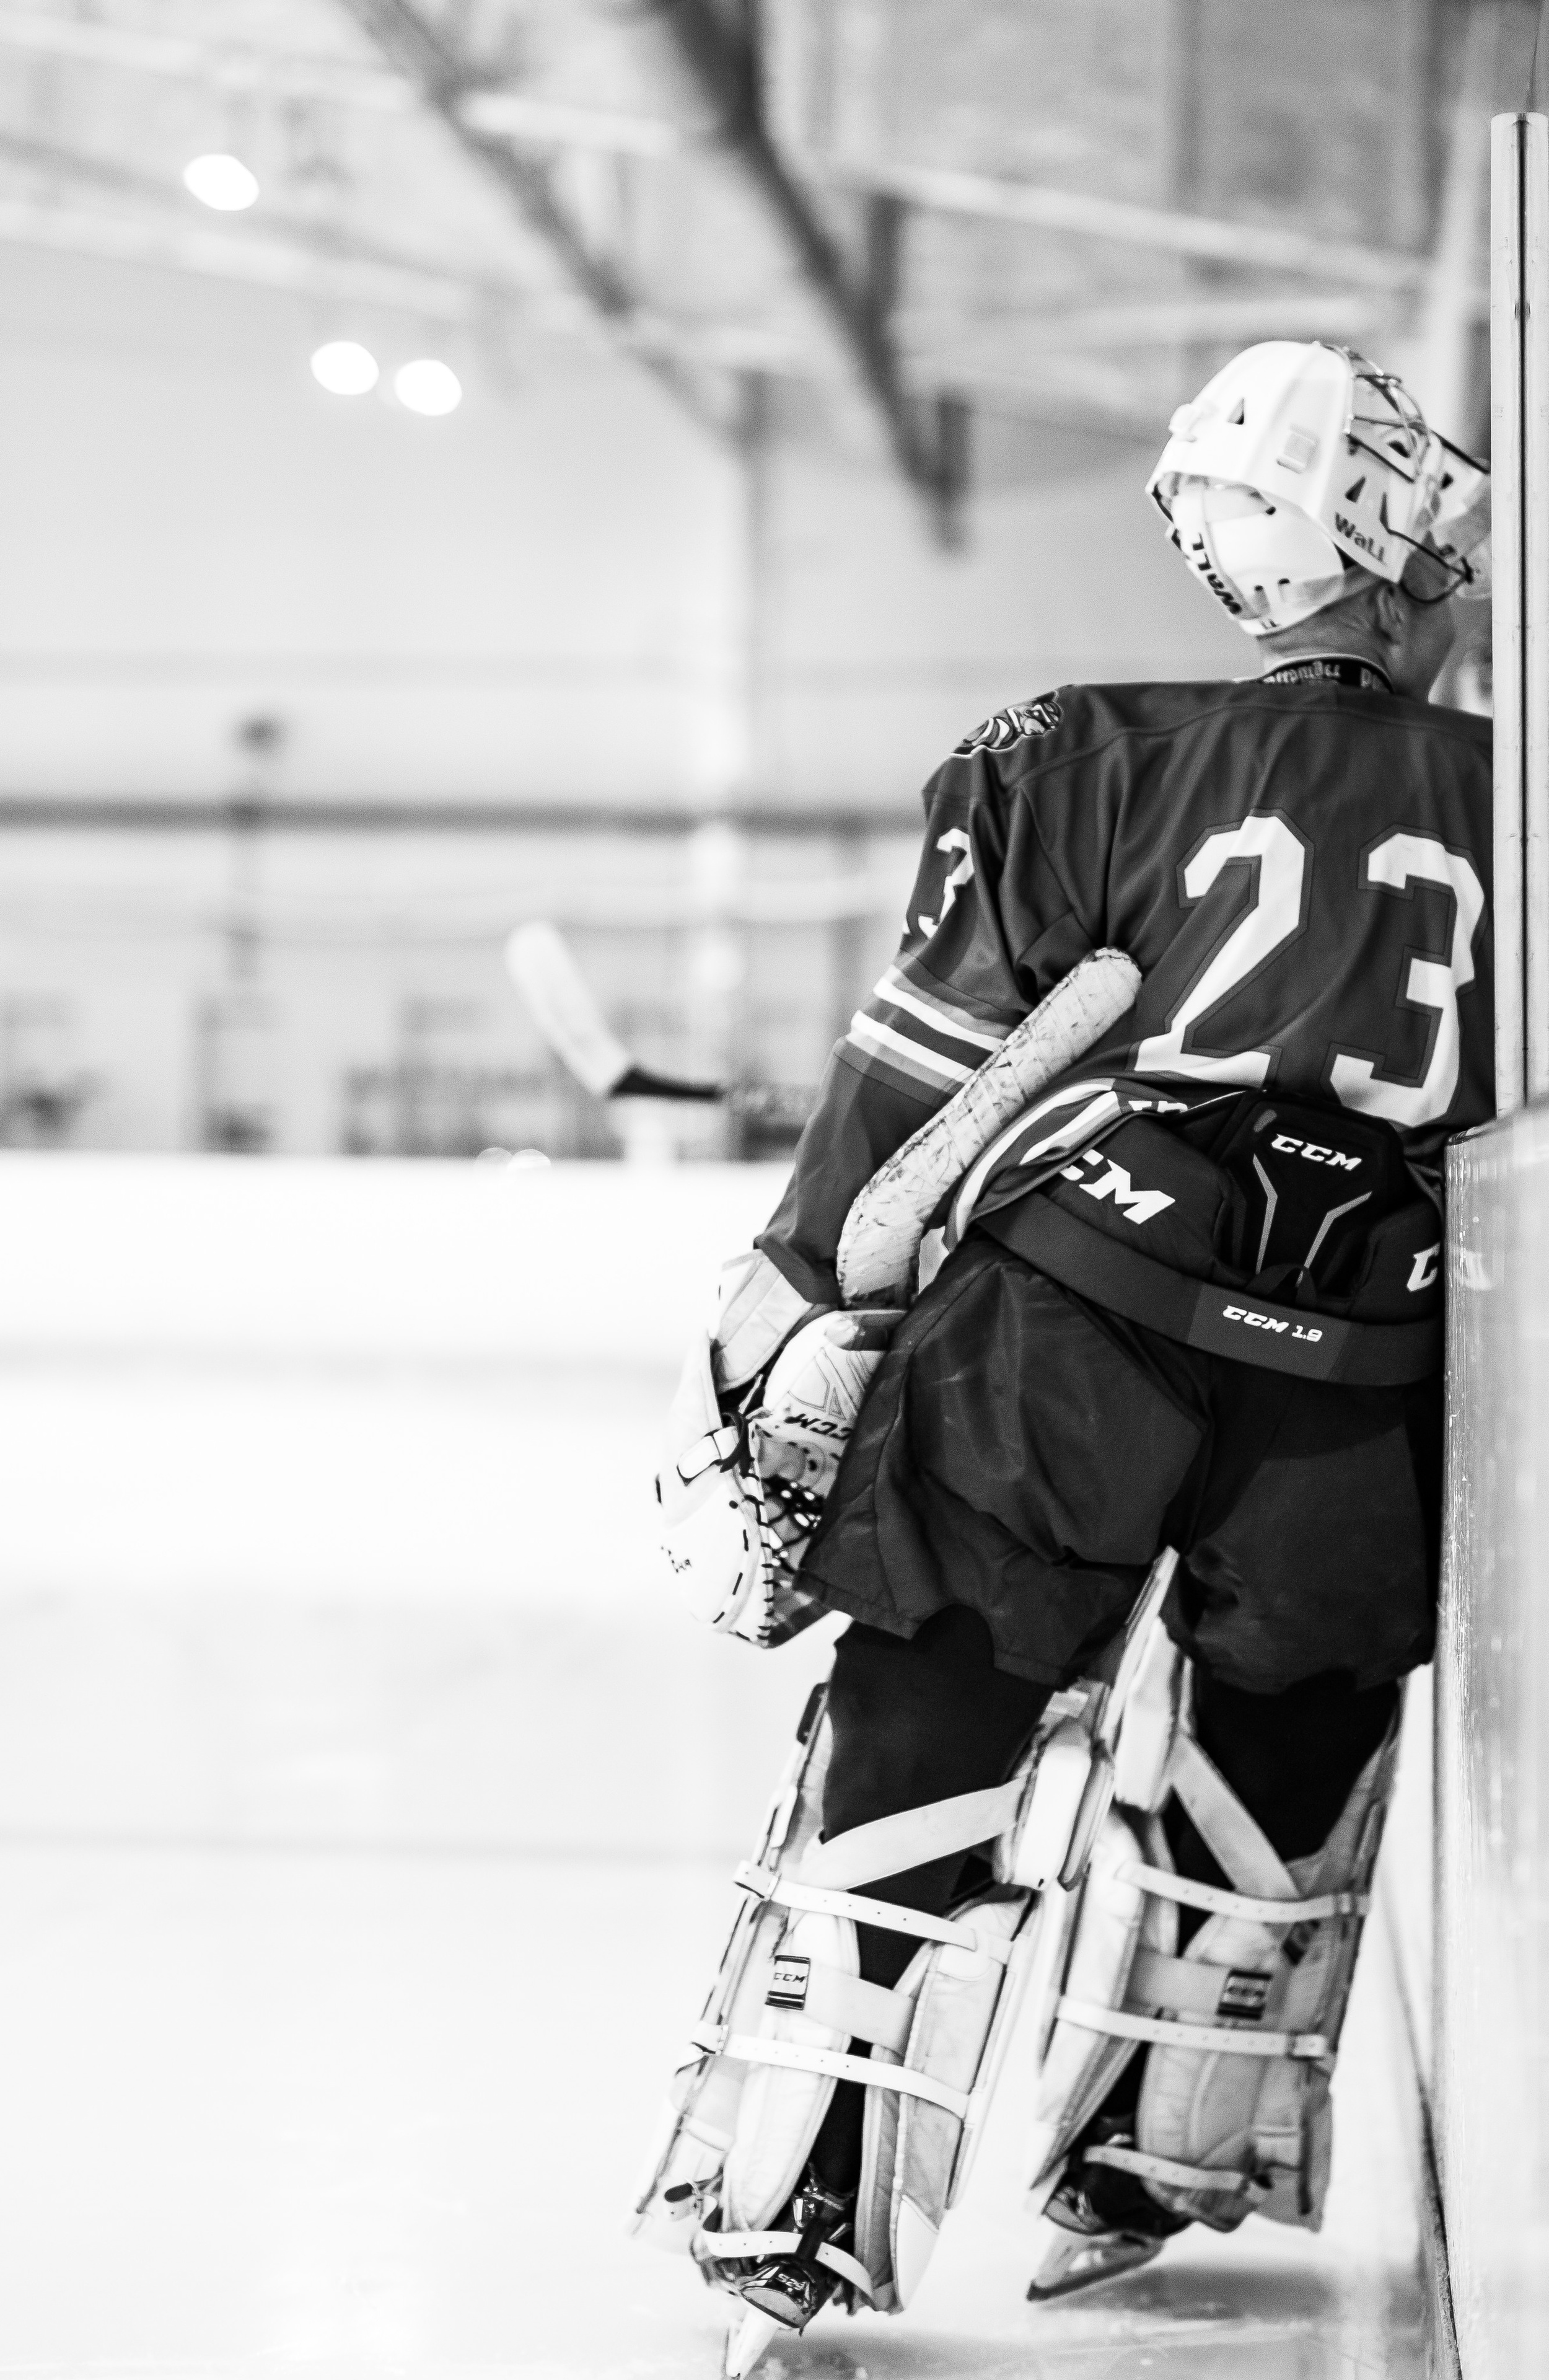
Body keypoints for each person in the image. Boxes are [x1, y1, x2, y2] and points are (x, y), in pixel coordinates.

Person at [670, 341, 1493, 2337]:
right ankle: (1151, 2156)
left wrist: (790, 1318)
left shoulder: (1072, 749)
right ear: (1394, 542)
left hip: (1066, 1329)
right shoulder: (1521, 791)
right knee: (1282, 1755)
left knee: (930, 1714)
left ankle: (795, 2200)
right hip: (1364, 1363)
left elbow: (918, 1075)